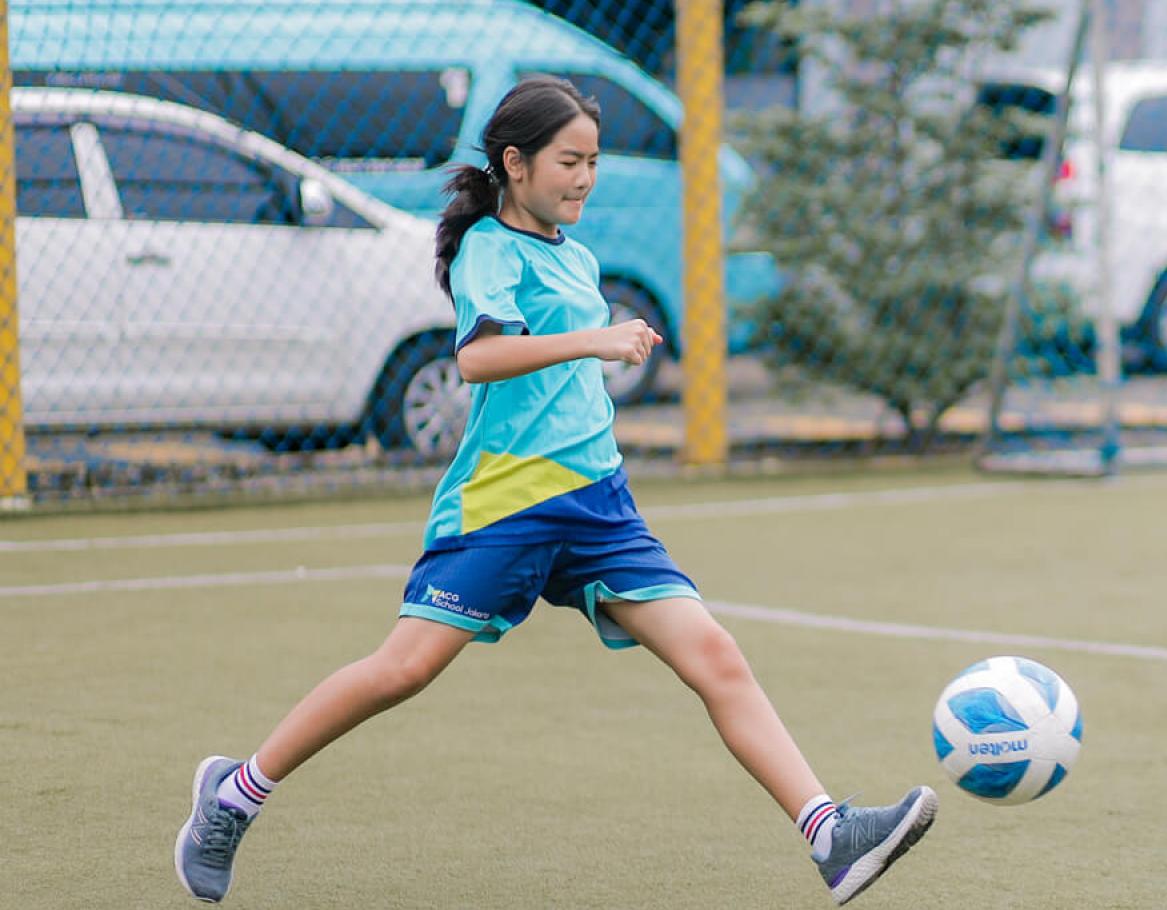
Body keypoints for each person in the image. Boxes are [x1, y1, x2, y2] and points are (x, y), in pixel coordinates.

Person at [174, 75, 937, 907]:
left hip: (600, 507)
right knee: (403, 670)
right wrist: (595, 338)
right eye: (569, 160)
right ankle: (233, 794)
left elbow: (569, 371)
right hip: (507, 508)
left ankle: (829, 835)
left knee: (715, 655)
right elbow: (478, 358)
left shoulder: (576, 257)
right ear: (516, 163)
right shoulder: (487, 252)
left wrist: (604, 343)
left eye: (593, 161)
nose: (584, 176)